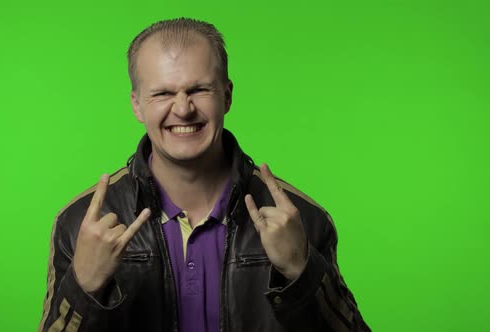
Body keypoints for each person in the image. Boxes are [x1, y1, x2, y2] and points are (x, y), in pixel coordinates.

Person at [38, 18, 370, 332]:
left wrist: (303, 272)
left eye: (198, 90)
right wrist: (84, 287)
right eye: (163, 93)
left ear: (227, 95)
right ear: (137, 105)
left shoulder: (301, 220)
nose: (183, 109)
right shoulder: (80, 223)